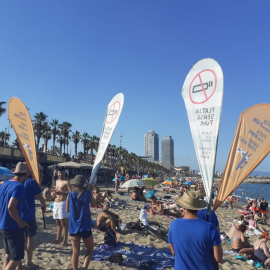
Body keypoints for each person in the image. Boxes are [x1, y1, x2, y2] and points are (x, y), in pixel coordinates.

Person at [168, 191, 222, 270]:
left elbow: (174, 253)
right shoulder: (210, 228)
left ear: (183, 208)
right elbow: (219, 259)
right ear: (198, 208)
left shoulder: (174, 225)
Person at [0, 162, 30, 270]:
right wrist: (20, 223)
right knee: (16, 257)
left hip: (3, 224)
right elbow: (11, 207)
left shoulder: (5, 183)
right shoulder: (19, 186)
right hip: (12, 226)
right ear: (26, 175)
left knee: (8, 254)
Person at [66, 175, 94, 270]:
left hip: (73, 226)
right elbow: (95, 204)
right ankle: (84, 268)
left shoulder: (70, 194)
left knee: (75, 252)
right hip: (85, 225)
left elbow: (67, 210)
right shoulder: (87, 193)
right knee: (90, 249)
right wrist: (91, 190)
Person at [23, 174, 46, 270]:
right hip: (29, 216)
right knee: (29, 239)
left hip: (16, 216)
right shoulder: (31, 182)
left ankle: (18, 262)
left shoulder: (14, 181)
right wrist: (43, 205)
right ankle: (29, 262)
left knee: (19, 240)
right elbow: (40, 197)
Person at [53, 167, 71, 246]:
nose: (60, 174)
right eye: (59, 173)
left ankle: (65, 240)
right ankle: (58, 238)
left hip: (63, 203)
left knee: (64, 222)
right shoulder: (56, 181)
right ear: (57, 173)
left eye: (62, 173)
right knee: (57, 222)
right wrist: (53, 193)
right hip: (56, 202)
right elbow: (55, 190)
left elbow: (71, 193)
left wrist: (62, 193)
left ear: (64, 173)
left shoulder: (66, 182)